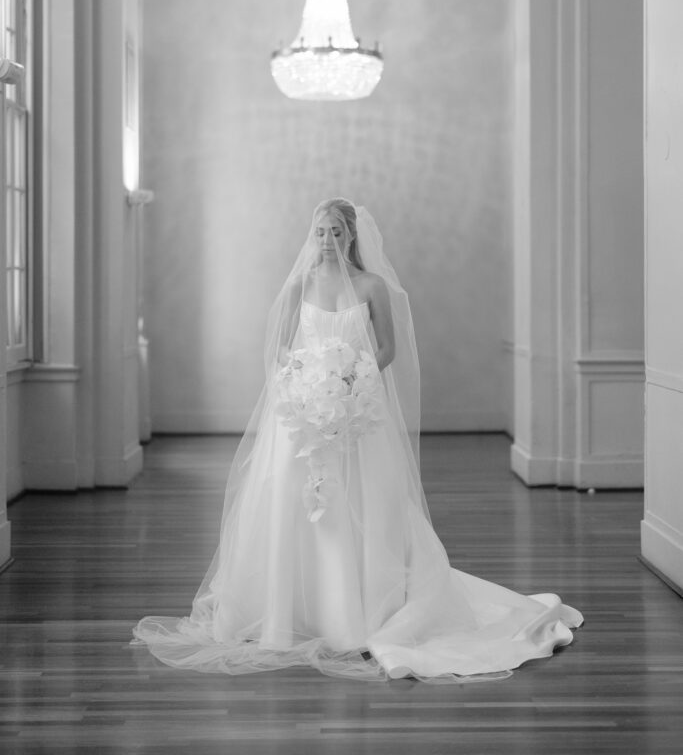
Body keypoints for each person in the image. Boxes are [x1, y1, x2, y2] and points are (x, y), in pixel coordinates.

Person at [132, 198, 582, 681]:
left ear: (352, 236)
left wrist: (353, 380)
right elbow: (280, 345)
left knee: (363, 503)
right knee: (291, 501)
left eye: (336, 232)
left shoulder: (372, 286)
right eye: (321, 231)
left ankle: (359, 612)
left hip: (358, 410)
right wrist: (304, 377)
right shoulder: (300, 284)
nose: (327, 240)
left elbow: (386, 347)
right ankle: (290, 613)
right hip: (302, 413)